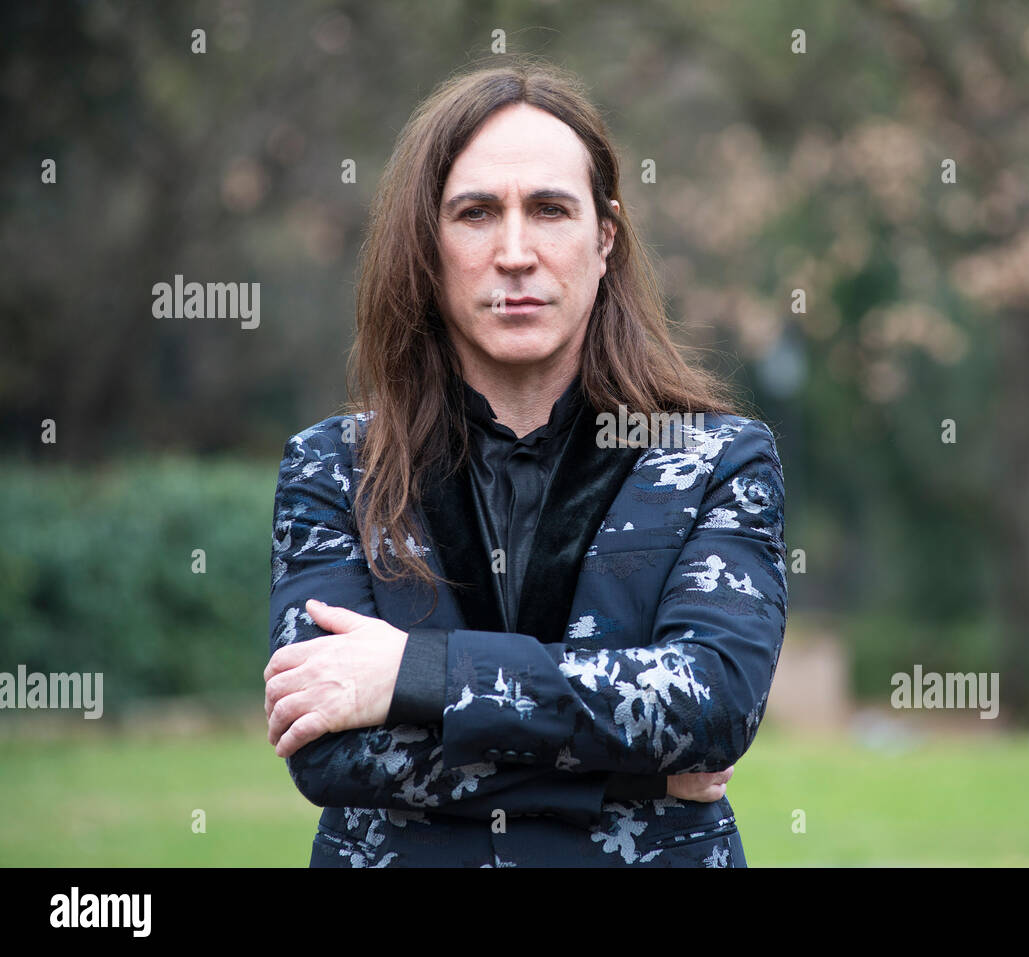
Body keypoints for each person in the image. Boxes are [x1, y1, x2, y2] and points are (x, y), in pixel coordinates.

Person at [263, 57, 787, 867]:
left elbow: (711, 706)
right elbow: (328, 752)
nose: (515, 252)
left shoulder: (717, 461)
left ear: (604, 236)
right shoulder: (334, 469)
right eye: (475, 213)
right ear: (427, 244)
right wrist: (630, 776)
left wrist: (415, 671)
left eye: (549, 209)